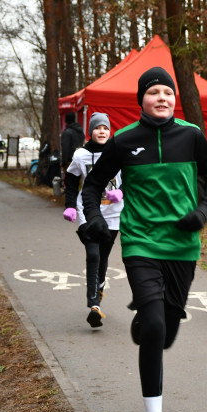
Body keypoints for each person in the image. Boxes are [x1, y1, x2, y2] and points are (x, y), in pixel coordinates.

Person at [81, 67, 207, 412]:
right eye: (153, 92)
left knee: (165, 330)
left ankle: (150, 318)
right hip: (141, 242)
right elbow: (93, 186)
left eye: (167, 92)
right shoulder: (125, 141)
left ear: (173, 99)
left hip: (182, 245)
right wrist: (93, 219)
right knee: (157, 326)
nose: (161, 98)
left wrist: (203, 211)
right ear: (141, 99)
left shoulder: (192, 135)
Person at [63, 112, 124, 327]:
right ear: (91, 131)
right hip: (88, 211)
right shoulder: (81, 155)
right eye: (98, 128)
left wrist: (121, 192)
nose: (102, 131)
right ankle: (94, 305)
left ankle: (98, 293)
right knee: (93, 254)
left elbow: (132, 177)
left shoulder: (118, 152)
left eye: (106, 128)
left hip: (113, 214)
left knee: (103, 258)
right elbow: (70, 179)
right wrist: (70, 205)